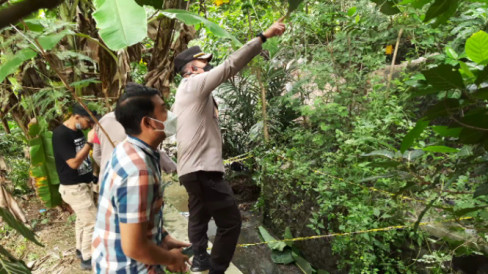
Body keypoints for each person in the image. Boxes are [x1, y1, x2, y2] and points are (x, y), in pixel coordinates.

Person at [173, 18, 286, 273]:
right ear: (192, 67)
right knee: (231, 222)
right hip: (204, 171)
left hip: (191, 171)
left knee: (199, 214)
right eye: (204, 62)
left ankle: (200, 258)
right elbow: (231, 65)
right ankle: (216, 269)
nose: (209, 65)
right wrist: (262, 37)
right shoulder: (195, 84)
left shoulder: (186, 92)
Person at [91, 83, 190, 273]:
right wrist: (171, 258)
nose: (170, 115)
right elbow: (134, 247)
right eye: (164, 110)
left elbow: (137, 214)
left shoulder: (128, 148)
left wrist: (163, 238)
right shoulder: (138, 171)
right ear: (148, 123)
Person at [92, 84, 178, 181]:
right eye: (162, 110)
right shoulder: (135, 125)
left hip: (107, 176)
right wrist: (175, 168)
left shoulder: (103, 121)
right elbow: (152, 150)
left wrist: (111, 165)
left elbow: (96, 154)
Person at [52, 103, 97, 270]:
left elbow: (83, 160)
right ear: (76, 117)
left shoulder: (78, 132)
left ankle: (80, 249)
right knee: (92, 221)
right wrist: (90, 143)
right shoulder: (60, 135)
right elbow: (73, 163)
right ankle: (88, 258)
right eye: (88, 121)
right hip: (73, 188)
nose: (89, 126)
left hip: (83, 184)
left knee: (82, 220)